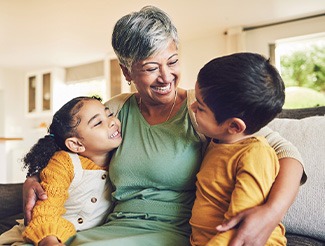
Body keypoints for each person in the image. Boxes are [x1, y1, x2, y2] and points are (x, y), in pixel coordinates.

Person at [23, 6, 306, 246]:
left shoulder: (204, 110)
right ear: (126, 71)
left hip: (169, 234)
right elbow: (68, 139)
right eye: (150, 68)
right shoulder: (116, 110)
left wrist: (270, 212)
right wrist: (34, 178)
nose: (166, 76)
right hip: (110, 228)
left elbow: (286, 152)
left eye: (172, 61)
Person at [190, 52, 288, 245]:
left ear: (234, 127)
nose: (192, 107)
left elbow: (240, 226)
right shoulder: (218, 141)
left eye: (200, 108)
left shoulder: (255, 155)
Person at [0, 96, 122, 246]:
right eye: (98, 123)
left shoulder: (120, 159)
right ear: (76, 144)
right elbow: (47, 210)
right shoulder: (63, 163)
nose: (112, 122)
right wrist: (49, 241)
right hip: (38, 238)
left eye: (109, 114)